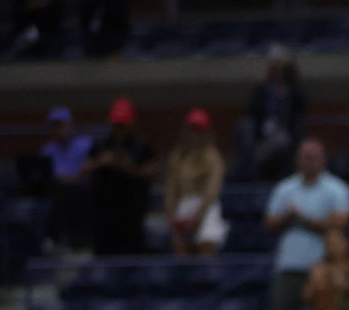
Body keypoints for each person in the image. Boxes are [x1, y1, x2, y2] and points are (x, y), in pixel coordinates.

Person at [265, 138, 349, 310]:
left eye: (314, 158)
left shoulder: (336, 189)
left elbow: (341, 222)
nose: (309, 162)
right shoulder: (285, 188)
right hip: (289, 268)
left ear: (323, 160)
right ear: (297, 160)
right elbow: (269, 223)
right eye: (305, 157)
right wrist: (288, 217)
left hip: (324, 268)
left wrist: (302, 218)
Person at [86, 97, 157, 255]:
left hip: (132, 212)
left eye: (122, 125)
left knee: (131, 257)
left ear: (131, 123)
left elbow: (152, 174)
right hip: (103, 212)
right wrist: (101, 162)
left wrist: (127, 167)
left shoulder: (141, 146)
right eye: (116, 124)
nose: (119, 128)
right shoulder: (101, 145)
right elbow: (82, 170)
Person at [163, 108, 227, 257]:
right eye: (192, 129)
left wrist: (197, 216)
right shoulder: (177, 156)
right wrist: (171, 215)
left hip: (206, 208)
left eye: (198, 129)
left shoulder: (213, 157)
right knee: (180, 248)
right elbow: (171, 188)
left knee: (206, 248)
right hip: (183, 204)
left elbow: (212, 190)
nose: (195, 134)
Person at [243, 46, 305, 181]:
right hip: (263, 133)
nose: (277, 72)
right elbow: (252, 110)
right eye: (274, 68)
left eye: (281, 68)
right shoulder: (263, 88)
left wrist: (290, 78)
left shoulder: (291, 88)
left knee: (281, 143)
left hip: (285, 133)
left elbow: (302, 105)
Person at [41, 106, 92, 252]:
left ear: (70, 125)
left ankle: (79, 241)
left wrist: (73, 179)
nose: (59, 130)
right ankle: (55, 240)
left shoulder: (85, 145)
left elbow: (87, 171)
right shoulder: (48, 150)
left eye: (62, 125)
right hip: (57, 192)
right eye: (55, 126)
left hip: (82, 192)